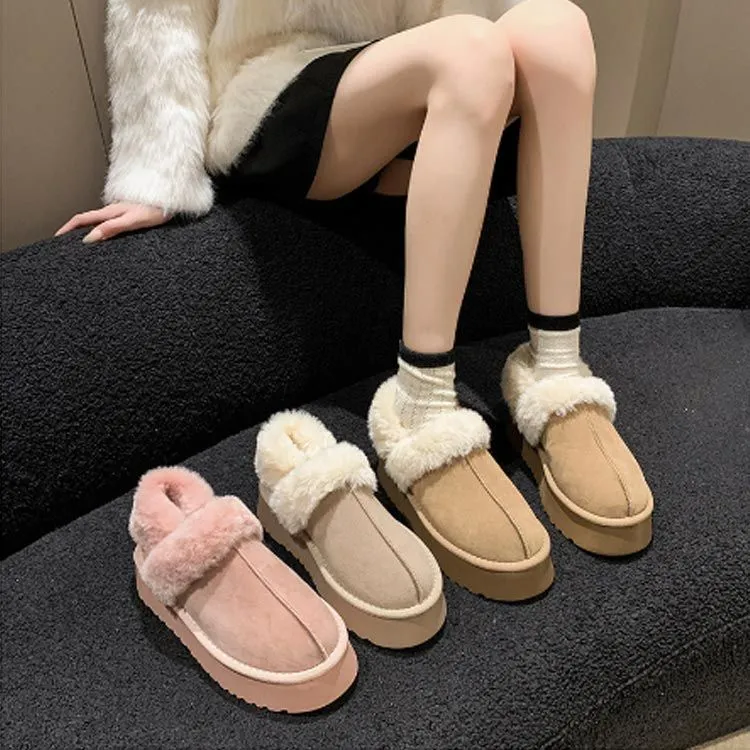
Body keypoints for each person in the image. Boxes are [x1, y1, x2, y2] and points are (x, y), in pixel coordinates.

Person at [57, 0, 653, 600]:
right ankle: (422, 407)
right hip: (276, 83)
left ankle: (557, 370)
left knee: (557, 29)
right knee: (469, 53)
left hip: (423, 78)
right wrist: (156, 172)